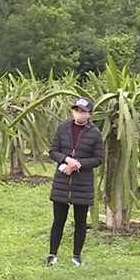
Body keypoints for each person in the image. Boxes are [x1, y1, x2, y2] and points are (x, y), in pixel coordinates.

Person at [46, 96, 103, 267]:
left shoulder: (95, 133)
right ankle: (52, 254)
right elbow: (53, 151)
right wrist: (66, 159)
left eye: (82, 111)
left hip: (82, 183)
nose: (78, 114)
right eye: (76, 110)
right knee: (58, 219)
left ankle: (76, 255)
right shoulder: (63, 128)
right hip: (62, 182)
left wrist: (78, 164)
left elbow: (99, 157)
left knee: (80, 221)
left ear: (89, 114)